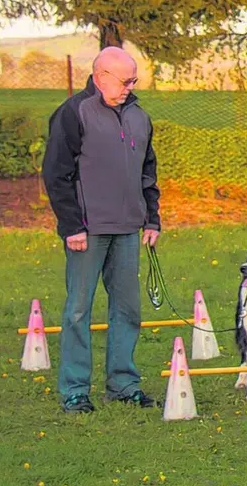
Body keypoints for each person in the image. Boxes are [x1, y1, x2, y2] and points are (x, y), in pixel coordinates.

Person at [41, 47, 162, 413]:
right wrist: (72, 226)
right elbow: (56, 174)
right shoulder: (73, 113)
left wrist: (151, 218)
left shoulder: (140, 117)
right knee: (78, 310)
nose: (130, 87)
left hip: (127, 229)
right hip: (87, 230)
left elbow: (147, 172)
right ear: (100, 75)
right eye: (125, 80)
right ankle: (75, 390)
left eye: (133, 80)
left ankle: (123, 384)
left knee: (127, 309)